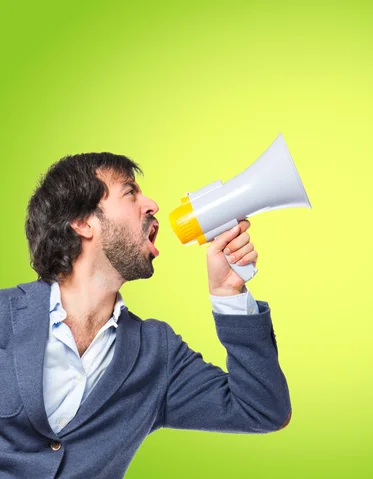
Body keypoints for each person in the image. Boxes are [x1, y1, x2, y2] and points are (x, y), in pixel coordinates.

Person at [0, 153, 291, 478]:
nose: (152, 204)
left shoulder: (157, 353)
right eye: (130, 192)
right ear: (83, 222)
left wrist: (228, 294)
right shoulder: (4, 315)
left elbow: (262, 409)